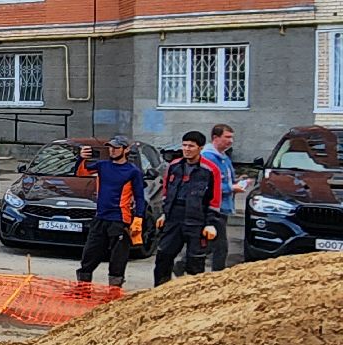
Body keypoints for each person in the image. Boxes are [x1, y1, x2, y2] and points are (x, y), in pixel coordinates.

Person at [74, 135, 147, 288]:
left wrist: (138, 218)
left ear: (126, 150)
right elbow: (81, 172)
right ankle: (82, 289)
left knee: (118, 259)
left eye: (116, 148)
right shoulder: (102, 166)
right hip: (100, 218)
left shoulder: (133, 172)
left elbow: (140, 197)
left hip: (119, 220)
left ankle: (114, 291)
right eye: (110, 147)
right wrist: (81, 158)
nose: (112, 151)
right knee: (89, 255)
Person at [154, 130, 224, 287]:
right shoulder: (174, 166)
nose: (186, 149)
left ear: (200, 148)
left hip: (197, 219)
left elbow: (214, 199)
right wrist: (165, 214)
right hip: (174, 217)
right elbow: (166, 192)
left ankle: (193, 295)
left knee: (195, 262)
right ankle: (159, 291)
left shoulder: (210, 170)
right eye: (184, 145)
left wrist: (210, 223)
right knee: (163, 256)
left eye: (191, 146)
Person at [199, 123, 247, 272]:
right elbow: (208, 185)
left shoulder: (223, 156)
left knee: (210, 241)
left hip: (223, 206)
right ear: (215, 137)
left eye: (232, 137)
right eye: (227, 137)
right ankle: (217, 274)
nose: (230, 141)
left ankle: (184, 264)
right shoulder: (208, 157)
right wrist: (231, 188)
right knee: (220, 245)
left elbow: (225, 178)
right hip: (214, 207)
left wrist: (238, 181)